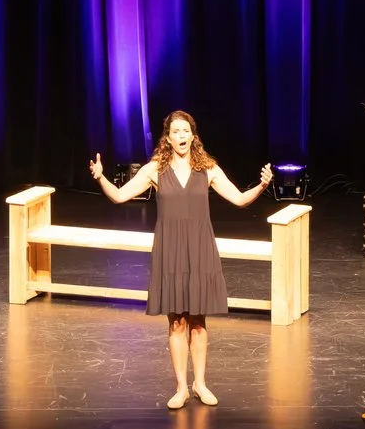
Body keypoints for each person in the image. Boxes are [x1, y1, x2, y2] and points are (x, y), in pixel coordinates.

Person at [91, 111, 272, 407]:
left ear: (193, 134)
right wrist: (101, 178)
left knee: (198, 322)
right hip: (170, 251)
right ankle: (181, 388)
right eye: (176, 131)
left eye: (186, 131)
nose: (182, 136)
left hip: (200, 250)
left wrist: (263, 186)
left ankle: (200, 383)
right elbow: (120, 196)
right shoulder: (154, 170)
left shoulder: (208, 168)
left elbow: (239, 199)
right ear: (167, 137)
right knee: (176, 322)